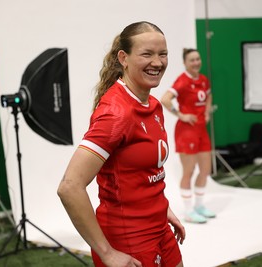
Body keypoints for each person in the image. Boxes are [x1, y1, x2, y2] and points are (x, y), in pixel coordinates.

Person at [57, 21, 185, 267]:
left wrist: (163, 210)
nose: (157, 62)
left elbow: (144, 172)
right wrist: (107, 253)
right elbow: (69, 186)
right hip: (128, 238)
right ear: (123, 58)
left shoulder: (153, 105)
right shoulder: (117, 113)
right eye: (147, 54)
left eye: (163, 54)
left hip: (159, 227)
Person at [160, 48, 215, 224]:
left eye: (198, 59)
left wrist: (206, 112)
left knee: (205, 169)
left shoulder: (204, 80)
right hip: (186, 132)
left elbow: (208, 96)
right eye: (192, 60)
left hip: (201, 131)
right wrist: (181, 115)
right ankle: (188, 211)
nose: (196, 62)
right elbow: (165, 99)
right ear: (185, 63)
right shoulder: (182, 81)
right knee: (189, 171)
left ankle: (199, 206)